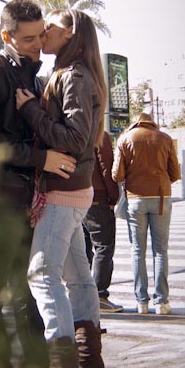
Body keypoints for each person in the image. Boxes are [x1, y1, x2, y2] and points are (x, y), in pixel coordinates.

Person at [0, 0, 76, 368]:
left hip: (26, 200)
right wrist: (41, 158)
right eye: (27, 38)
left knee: (26, 290)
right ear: (6, 36)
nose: (36, 44)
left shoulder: (39, 75)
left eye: (39, 36)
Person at [15, 8, 108, 368]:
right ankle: (88, 364)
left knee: (41, 274)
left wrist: (31, 111)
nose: (44, 34)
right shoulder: (75, 74)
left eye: (50, 28)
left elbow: (73, 137)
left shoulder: (73, 77)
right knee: (78, 277)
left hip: (64, 192)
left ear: (70, 33)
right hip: (76, 191)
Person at [112, 113, 181, 315]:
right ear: (152, 122)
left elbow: (117, 175)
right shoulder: (165, 138)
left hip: (135, 199)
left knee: (137, 252)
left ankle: (141, 302)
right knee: (161, 251)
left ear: (134, 122)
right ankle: (162, 302)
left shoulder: (125, 138)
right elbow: (175, 174)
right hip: (161, 198)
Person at [83, 131, 123, 312]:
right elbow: (107, 169)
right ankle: (99, 295)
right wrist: (114, 198)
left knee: (83, 251)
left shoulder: (71, 130)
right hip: (98, 198)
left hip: (76, 197)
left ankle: (84, 295)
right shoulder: (99, 134)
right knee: (104, 247)